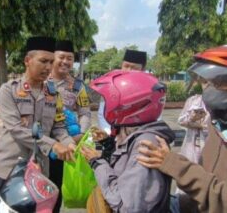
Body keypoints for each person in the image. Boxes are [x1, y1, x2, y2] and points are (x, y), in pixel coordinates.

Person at [0, 36, 75, 213]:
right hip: (10, 169)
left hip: (40, 171)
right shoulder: (9, 90)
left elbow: (58, 126)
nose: (48, 67)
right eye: (43, 61)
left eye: (50, 62)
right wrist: (53, 145)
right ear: (28, 60)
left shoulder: (52, 92)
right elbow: (17, 129)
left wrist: (69, 143)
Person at [136, 45, 227, 213]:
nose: (208, 89)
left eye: (217, 83)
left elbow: (222, 199)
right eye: (206, 82)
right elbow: (205, 185)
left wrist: (174, 165)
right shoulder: (218, 125)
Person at [82, 70, 174, 212]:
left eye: (109, 101)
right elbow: (125, 166)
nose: (106, 105)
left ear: (128, 105)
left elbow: (126, 205)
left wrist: (97, 163)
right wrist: (109, 144)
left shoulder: (146, 145)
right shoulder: (137, 135)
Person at [49, 40, 91, 212]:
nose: (65, 62)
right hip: (43, 143)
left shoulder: (77, 86)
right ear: (52, 58)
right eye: (62, 57)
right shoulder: (42, 81)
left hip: (67, 144)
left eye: (70, 58)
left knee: (57, 187)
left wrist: (80, 133)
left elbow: (85, 113)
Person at [97, 49, 147, 134]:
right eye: (126, 66)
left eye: (135, 68)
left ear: (143, 70)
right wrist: (111, 134)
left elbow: (155, 117)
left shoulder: (148, 90)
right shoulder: (110, 88)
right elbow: (102, 114)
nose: (129, 70)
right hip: (113, 136)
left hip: (139, 138)